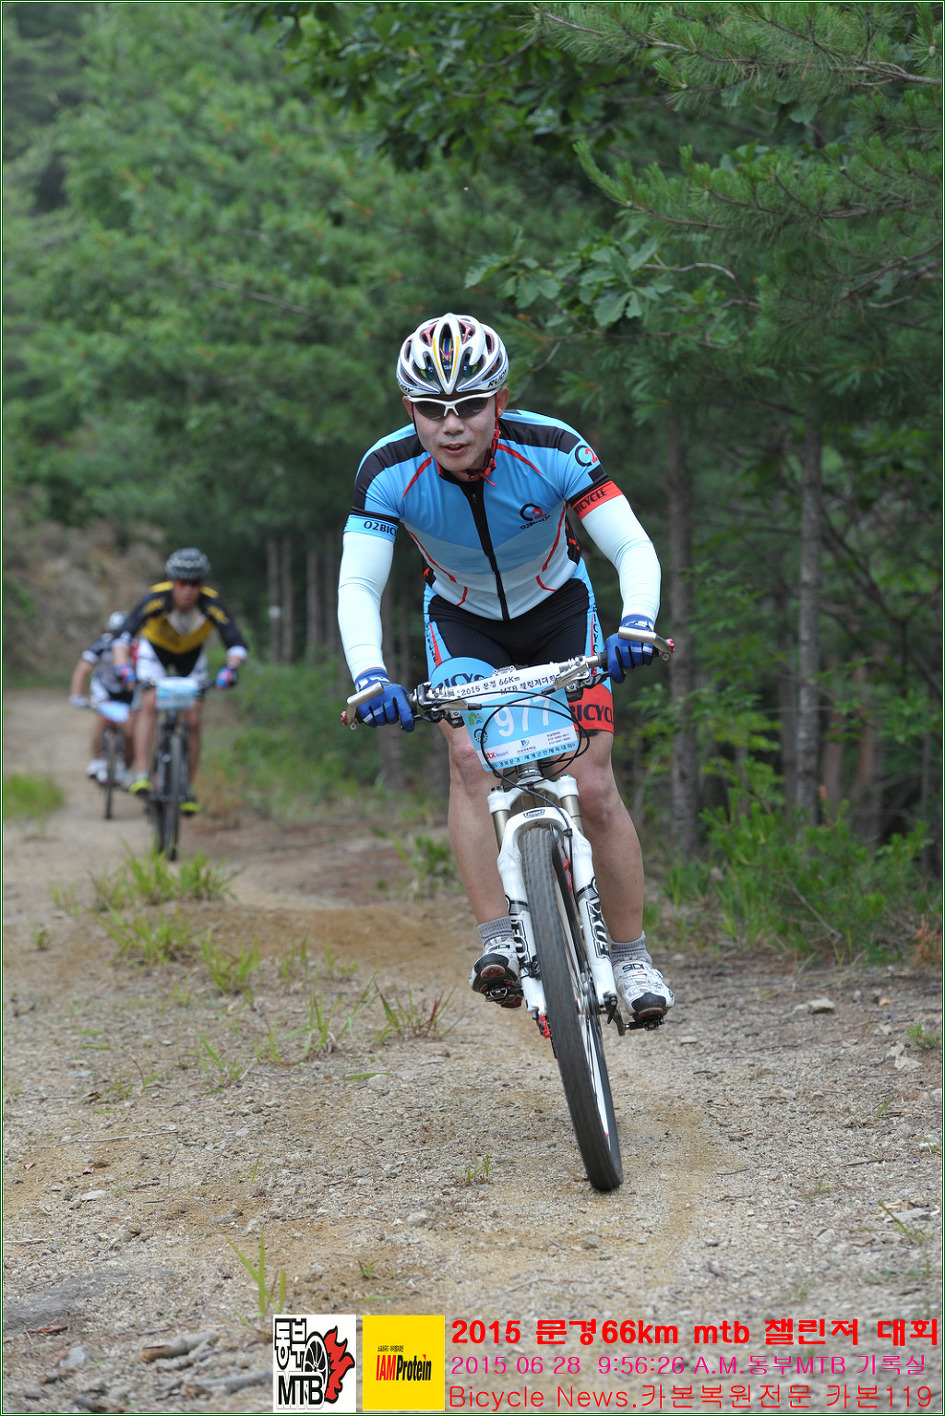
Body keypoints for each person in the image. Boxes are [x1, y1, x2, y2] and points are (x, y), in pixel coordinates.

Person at [337, 312, 674, 1026]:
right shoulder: (386, 469)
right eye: (431, 409)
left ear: (500, 400)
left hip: (559, 610)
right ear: (409, 410)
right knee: (469, 764)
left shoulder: (552, 447)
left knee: (592, 784)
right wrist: (369, 676)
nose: (451, 425)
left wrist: (637, 623)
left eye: (468, 405)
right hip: (462, 622)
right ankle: (498, 939)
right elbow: (359, 583)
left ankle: (631, 956)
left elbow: (631, 546)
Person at [111, 548, 247, 813]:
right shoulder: (155, 598)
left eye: (195, 583)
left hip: (191, 656)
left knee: (193, 717)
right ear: (173, 581)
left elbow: (236, 643)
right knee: (150, 702)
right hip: (156, 653)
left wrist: (231, 669)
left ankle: (187, 787)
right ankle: (142, 774)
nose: (188, 589)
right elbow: (123, 635)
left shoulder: (211, 603)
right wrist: (123, 666)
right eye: (182, 582)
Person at [68, 611, 136, 785]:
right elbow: (82, 669)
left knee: (130, 731)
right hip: (104, 688)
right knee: (103, 717)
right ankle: (97, 760)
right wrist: (76, 695)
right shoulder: (101, 644)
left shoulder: (137, 647)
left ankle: (126, 769)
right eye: (114, 633)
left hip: (128, 691)